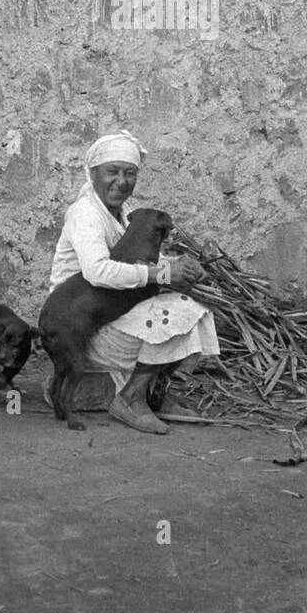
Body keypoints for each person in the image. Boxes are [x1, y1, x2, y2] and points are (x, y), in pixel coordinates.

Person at [47, 131, 220, 434]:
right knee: (177, 313)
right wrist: (163, 274)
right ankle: (130, 398)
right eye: (111, 172)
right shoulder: (85, 214)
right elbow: (99, 272)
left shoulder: (125, 212)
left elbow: (135, 261)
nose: (121, 181)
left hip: (109, 310)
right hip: (82, 324)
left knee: (192, 309)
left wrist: (179, 267)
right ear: (93, 173)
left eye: (130, 173)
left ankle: (154, 394)